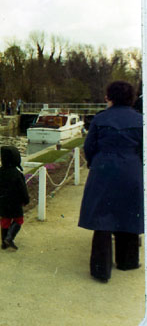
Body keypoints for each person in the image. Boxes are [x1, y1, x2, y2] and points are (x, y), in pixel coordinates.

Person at [78, 80, 143, 283]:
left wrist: (94, 163)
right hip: (131, 168)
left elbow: (89, 147)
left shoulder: (100, 119)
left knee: (102, 218)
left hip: (104, 168)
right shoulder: (141, 119)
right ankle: (128, 261)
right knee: (129, 213)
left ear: (109, 97)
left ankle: (101, 269)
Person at [0, 146, 30, 250]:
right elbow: (23, 189)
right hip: (15, 202)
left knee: (5, 221)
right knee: (18, 220)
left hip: (2, 202)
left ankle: (4, 243)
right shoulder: (17, 174)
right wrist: (26, 200)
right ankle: (9, 238)